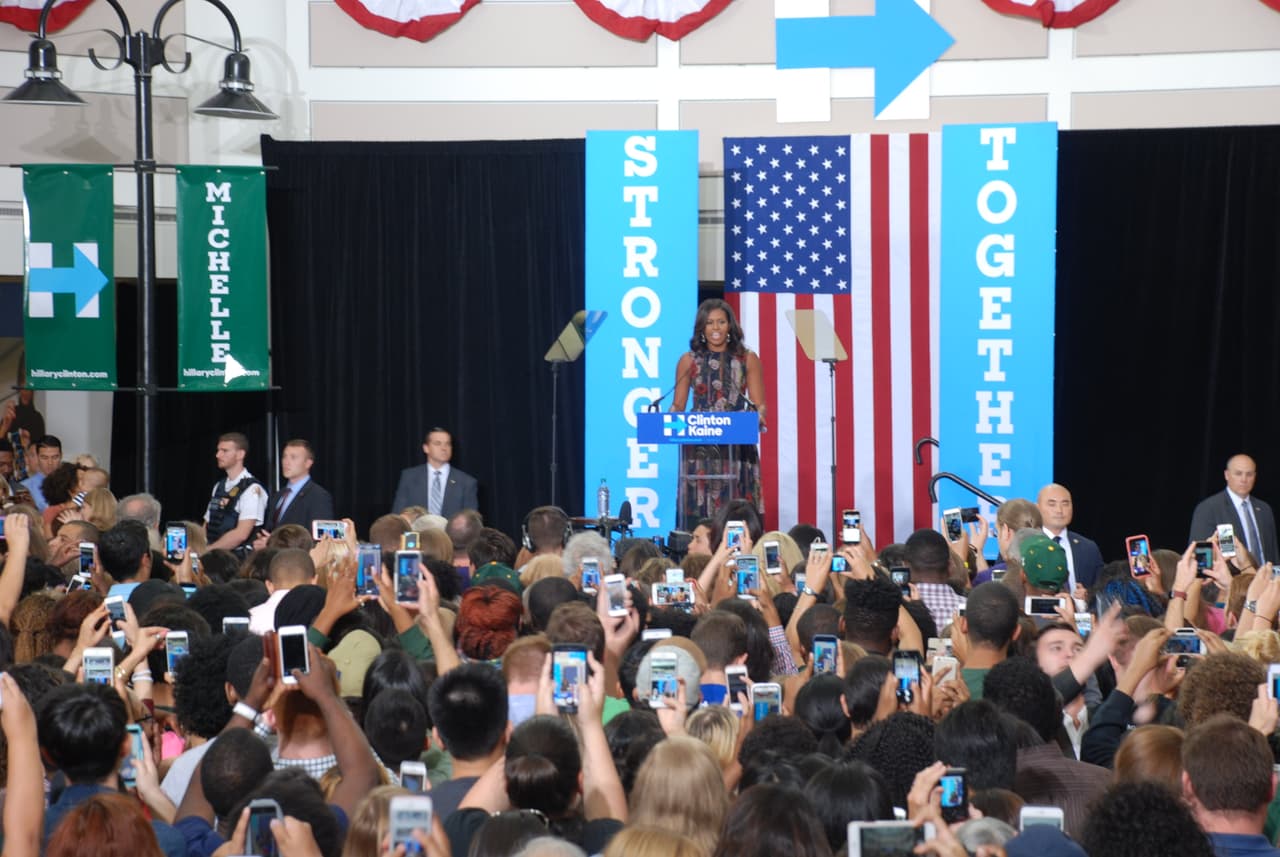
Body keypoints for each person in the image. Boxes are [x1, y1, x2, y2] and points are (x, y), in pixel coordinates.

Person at [670, 298, 766, 528]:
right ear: (702, 328)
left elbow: (759, 404)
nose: (715, 328)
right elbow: (678, 405)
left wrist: (757, 416)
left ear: (730, 326)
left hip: (737, 445)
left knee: (738, 516)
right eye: (710, 323)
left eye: (721, 322)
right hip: (700, 447)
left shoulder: (747, 358)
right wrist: (667, 418)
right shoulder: (689, 361)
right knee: (699, 519)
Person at [1190, 454, 1277, 566]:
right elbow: (1201, 560)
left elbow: (1273, 554)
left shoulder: (1264, 509)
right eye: (1238, 473)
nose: (1244, 479)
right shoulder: (1209, 508)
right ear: (1227, 475)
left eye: (1249, 474)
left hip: (1264, 579)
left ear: (1255, 476)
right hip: (1229, 581)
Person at [257, 439, 335, 542]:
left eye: (293, 457)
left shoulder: (319, 496)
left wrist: (271, 543)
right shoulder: (279, 495)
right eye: (284, 456)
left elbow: (320, 540)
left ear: (308, 463)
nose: (286, 462)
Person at [391, 427, 479, 518]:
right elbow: (398, 517)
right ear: (426, 448)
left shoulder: (466, 482)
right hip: (417, 532)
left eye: (448, 444)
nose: (444, 448)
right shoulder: (409, 477)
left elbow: (471, 523)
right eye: (438, 443)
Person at [203, 432, 268, 554]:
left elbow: (241, 534)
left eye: (224, 451)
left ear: (240, 454)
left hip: (237, 562)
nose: (218, 455)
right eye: (218, 450)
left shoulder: (252, 489)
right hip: (213, 558)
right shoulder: (219, 486)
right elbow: (207, 523)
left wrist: (208, 550)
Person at [1037, 483, 1105, 592]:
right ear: (1037, 508)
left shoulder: (1089, 548)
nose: (1059, 510)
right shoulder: (1024, 545)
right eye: (1052, 504)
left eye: (1065, 504)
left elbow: (1102, 590)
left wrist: (1088, 597)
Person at [21, 433, 62, 513]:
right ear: (37, 457)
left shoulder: (71, 482)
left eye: (55, 457)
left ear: (61, 456)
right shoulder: (25, 487)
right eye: (44, 457)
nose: (50, 462)